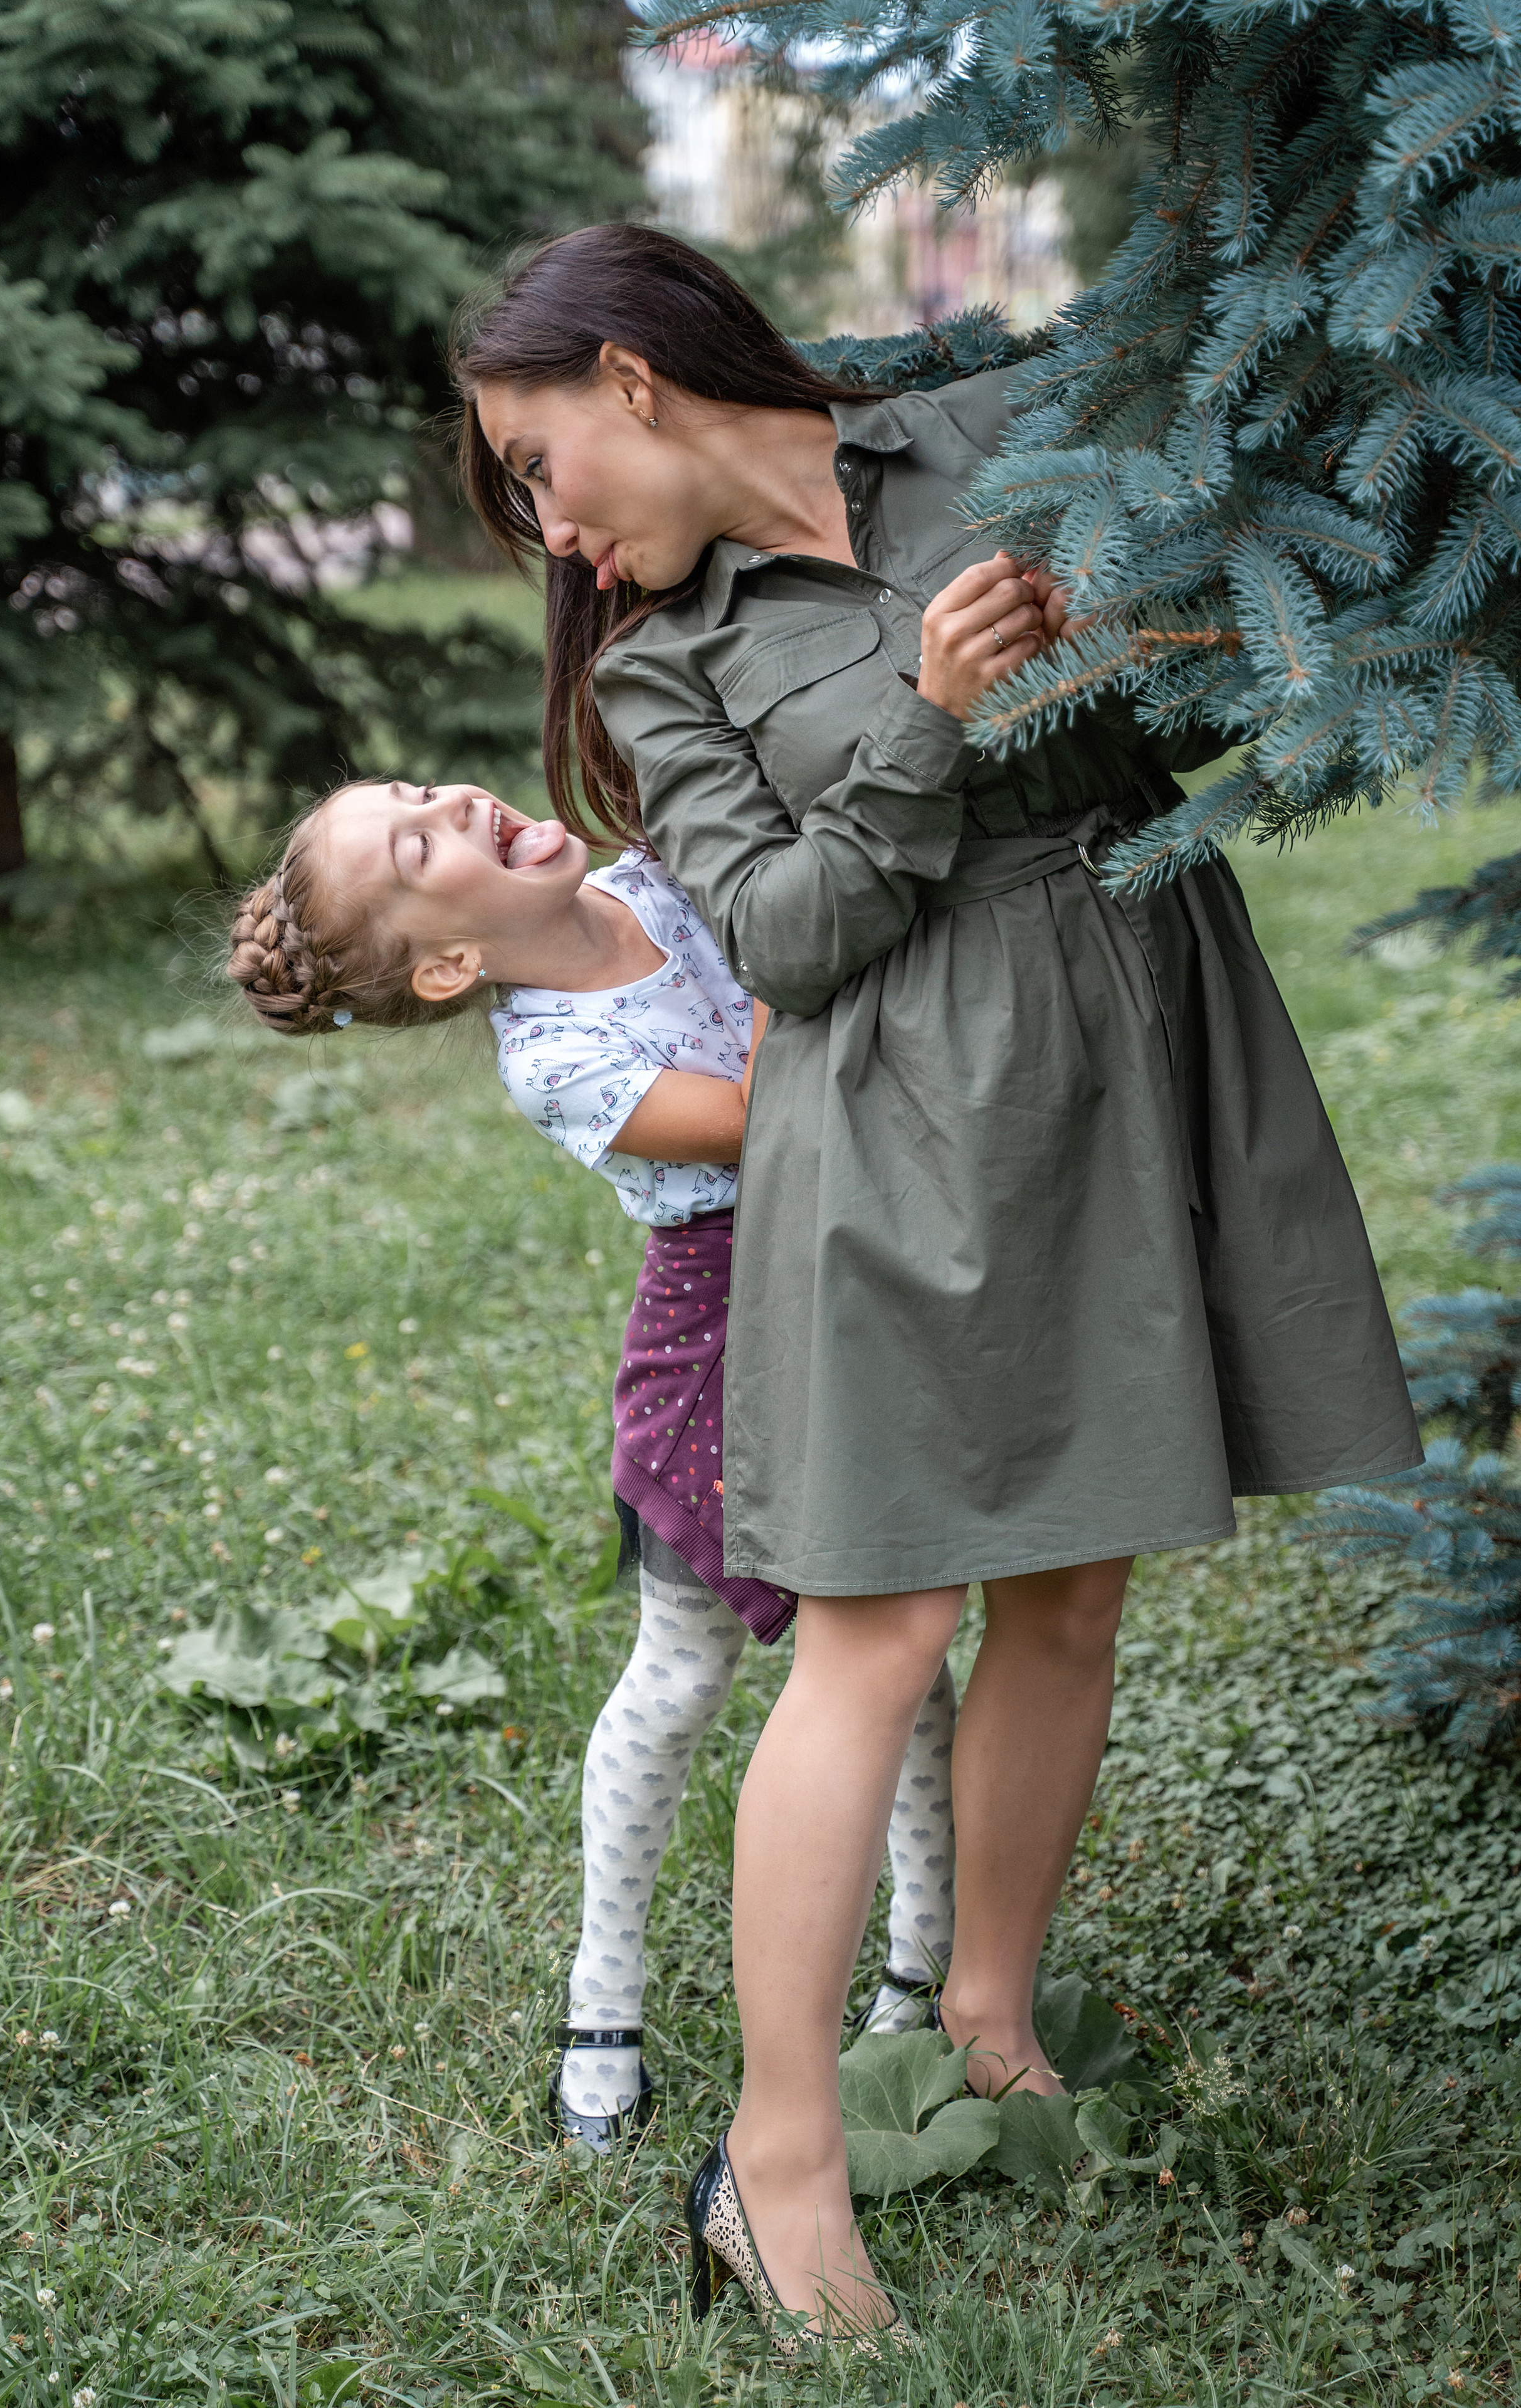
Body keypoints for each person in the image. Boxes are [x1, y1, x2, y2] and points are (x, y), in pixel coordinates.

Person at [451, 223, 1424, 2348]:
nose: (552, 525)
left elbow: (1231, 670)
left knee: (1075, 1586)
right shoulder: (661, 665)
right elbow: (791, 941)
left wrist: (1120, 644)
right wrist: (929, 712)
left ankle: (987, 2019)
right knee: (882, 1626)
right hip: (900, 1104)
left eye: (535, 463)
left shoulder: (991, 428)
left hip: (1145, 1006)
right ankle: (779, 2156)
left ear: (629, 377)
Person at [221, 775, 959, 2155]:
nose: (452, 800)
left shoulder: (664, 876)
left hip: (859, 1290)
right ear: (448, 966)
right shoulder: (552, 1058)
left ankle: (921, 1961)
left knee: (895, 1648)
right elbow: (763, 1113)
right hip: (722, 1338)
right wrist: (788, 940)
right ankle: (599, 1997)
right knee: (679, 1675)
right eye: (418, 841)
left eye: (422, 787)